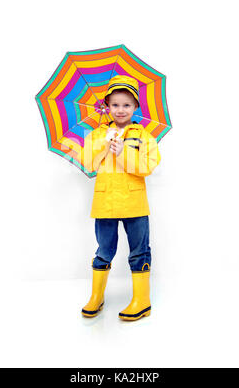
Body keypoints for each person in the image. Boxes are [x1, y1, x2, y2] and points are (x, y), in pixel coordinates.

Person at [81, 75, 161, 321]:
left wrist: (123, 151)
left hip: (134, 204)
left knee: (139, 251)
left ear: (136, 107)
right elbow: (88, 163)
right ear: (107, 106)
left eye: (127, 105)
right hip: (105, 204)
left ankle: (142, 300)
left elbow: (148, 166)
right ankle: (97, 296)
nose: (121, 110)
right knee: (104, 250)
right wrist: (105, 145)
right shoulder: (97, 134)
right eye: (115, 104)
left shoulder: (143, 135)